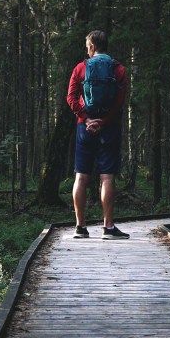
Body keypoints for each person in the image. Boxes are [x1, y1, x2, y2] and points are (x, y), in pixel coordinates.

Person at [67, 29, 129, 240]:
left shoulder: (81, 68)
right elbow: (119, 102)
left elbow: (71, 98)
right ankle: (108, 227)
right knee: (107, 177)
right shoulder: (119, 69)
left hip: (84, 128)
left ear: (92, 46)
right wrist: (103, 121)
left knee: (81, 176)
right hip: (109, 127)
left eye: (87, 46)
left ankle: (80, 227)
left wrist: (85, 119)